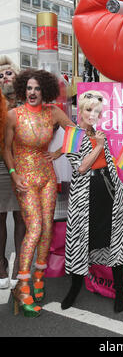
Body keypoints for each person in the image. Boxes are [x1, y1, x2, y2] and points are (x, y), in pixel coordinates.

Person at [4, 69, 73, 317]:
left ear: (45, 91)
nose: (33, 93)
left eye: (37, 89)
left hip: (47, 176)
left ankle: (40, 274)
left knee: (47, 227)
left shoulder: (53, 112)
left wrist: (59, 153)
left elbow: (74, 132)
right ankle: (23, 286)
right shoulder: (13, 115)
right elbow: (7, 149)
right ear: (24, 90)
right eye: (29, 88)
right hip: (25, 180)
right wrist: (14, 174)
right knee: (33, 228)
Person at [61, 90, 123, 313]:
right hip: (84, 197)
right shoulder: (72, 134)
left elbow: (107, 163)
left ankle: (120, 292)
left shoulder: (100, 134)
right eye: (89, 110)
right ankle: (74, 288)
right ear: (80, 111)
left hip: (109, 192)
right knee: (80, 241)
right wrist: (99, 145)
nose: (93, 114)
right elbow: (81, 167)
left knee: (116, 241)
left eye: (97, 111)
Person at [0, 57, 25, 290]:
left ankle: (19, 263)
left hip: (24, 164)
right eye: (0, 75)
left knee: (20, 216)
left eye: (8, 73)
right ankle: (0, 264)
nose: (5, 77)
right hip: (0, 165)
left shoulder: (29, 101)